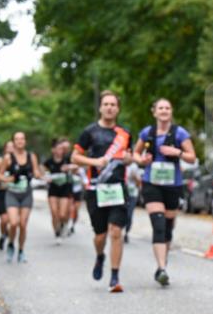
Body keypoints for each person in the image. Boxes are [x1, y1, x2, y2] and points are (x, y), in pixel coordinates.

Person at [73, 91, 134, 293]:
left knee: (116, 232)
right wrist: (94, 162)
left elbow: (130, 156)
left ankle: (115, 276)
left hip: (118, 188)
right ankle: (100, 256)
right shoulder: (89, 132)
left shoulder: (124, 133)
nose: (109, 107)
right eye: (106, 104)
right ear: (100, 107)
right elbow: (75, 157)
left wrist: (127, 158)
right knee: (100, 236)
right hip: (95, 189)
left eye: (113, 104)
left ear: (118, 108)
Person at [133, 98, 197, 285]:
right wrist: (141, 160)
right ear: (154, 112)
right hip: (151, 183)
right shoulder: (147, 133)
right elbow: (136, 154)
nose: (164, 111)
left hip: (173, 184)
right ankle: (162, 268)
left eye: (167, 108)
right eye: (160, 108)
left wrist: (176, 153)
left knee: (168, 227)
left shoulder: (180, 133)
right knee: (158, 224)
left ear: (171, 111)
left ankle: (163, 262)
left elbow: (192, 158)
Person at [0, 131, 43, 263]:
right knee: (13, 223)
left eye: (22, 139)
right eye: (17, 139)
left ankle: (21, 250)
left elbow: (37, 172)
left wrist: (35, 174)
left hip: (26, 193)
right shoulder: (8, 158)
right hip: (12, 193)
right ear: (13, 142)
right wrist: (10, 179)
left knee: (23, 225)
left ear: (25, 141)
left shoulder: (31, 156)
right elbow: (0, 175)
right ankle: (11, 244)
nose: (20, 141)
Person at [43, 137, 73, 244]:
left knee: (63, 214)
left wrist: (69, 167)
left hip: (65, 188)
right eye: (58, 149)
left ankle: (64, 224)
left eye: (62, 149)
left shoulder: (67, 159)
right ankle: (57, 233)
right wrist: (45, 176)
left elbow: (77, 166)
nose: (60, 151)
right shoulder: (49, 161)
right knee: (54, 212)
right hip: (53, 188)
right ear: (53, 150)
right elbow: (42, 171)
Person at [0, 140, 13, 251]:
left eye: (12, 147)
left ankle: (10, 240)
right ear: (4, 149)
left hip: (13, 193)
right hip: (2, 192)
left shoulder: (18, 162)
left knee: (12, 220)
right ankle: (3, 235)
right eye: (8, 147)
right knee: (4, 220)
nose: (10, 149)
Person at [123, 160, 140, 244]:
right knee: (122, 213)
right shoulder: (120, 163)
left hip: (132, 194)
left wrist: (135, 178)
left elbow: (139, 183)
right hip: (122, 194)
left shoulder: (134, 166)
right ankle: (119, 231)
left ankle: (126, 232)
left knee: (129, 214)